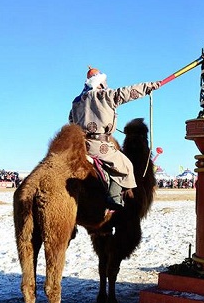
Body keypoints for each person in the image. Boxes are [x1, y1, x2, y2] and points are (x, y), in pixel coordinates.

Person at [69, 66, 161, 209]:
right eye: (104, 82)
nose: (106, 85)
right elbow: (128, 92)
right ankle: (114, 197)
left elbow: (71, 120)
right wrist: (150, 86)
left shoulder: (77, 101)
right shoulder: (105, 95)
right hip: (99, 146)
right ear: (99, 82)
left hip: (81, 144)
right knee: (125, 165)